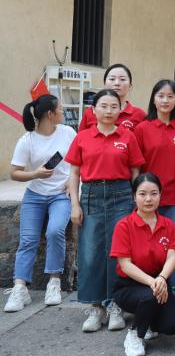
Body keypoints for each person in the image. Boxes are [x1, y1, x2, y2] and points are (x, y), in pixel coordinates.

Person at [65, 89, 145, 332]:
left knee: (118, 252)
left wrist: (136, 201)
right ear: (93, 109)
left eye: (114, 106)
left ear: (120, 110)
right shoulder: (83, 137)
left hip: (121, 195)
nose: (109, 111)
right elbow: (74, 173)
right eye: (103, 106)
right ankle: (95, 307)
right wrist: (75, 204)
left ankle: (115, 305)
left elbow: (135, 172)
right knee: (91, 253)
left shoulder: (128, 136)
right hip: (91, 196)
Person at [5, 94, 76, 313]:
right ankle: (20, 288)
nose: (63, 112)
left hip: (60, 195)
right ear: (50, 114)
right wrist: (35, 174)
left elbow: (79, 161)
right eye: (60, 109)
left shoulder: (68, 133)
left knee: (55, 231)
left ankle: (54, 282)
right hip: (34, 195)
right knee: (28, 239)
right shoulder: (27, 140)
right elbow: (15, 173)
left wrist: (71, 181)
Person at [110, 173, 175, 356]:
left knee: (172, 324)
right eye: (142, 194)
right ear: (134, 196)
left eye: (154, 193)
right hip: (129, 286)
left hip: (159, 281)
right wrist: (153, 282)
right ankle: (135, 334)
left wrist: (161, 278)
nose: (148, 199)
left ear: (160, 195)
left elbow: (172, 257)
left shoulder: (168, 225)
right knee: (149, 296)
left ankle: (148, 320)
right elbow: (125, 265)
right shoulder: (124, 226)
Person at [134, 80, 175, 295]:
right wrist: (136, 195)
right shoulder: (142, 128)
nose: (165, 100)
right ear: (153, 100)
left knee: (172, 247)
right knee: (146, 247)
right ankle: (148, 291)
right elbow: (136, 166)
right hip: (147, 199)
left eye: (170, 96)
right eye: (161, 96)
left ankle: (171, 292)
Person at [79, 63, 146, 132]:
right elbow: (81, 137)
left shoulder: (140, 115)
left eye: (122, 79)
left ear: (130, 86)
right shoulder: (91, 112)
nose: (117, 83)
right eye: (112, 79)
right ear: (105, 83)